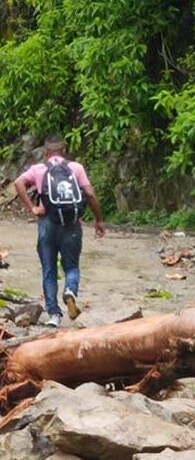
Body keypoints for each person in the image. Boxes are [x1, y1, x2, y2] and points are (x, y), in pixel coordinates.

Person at [14, 135, 105, 327]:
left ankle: (54, 315)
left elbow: (18, 183)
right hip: (72, 224)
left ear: (46, 153)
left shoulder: (38, 169)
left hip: (47, 222)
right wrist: (99, 220)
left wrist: (32, 207)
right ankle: (70, 291)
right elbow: (89, 193)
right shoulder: (76, 168)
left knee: (49, 269)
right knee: (71, 267)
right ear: (64, 152)